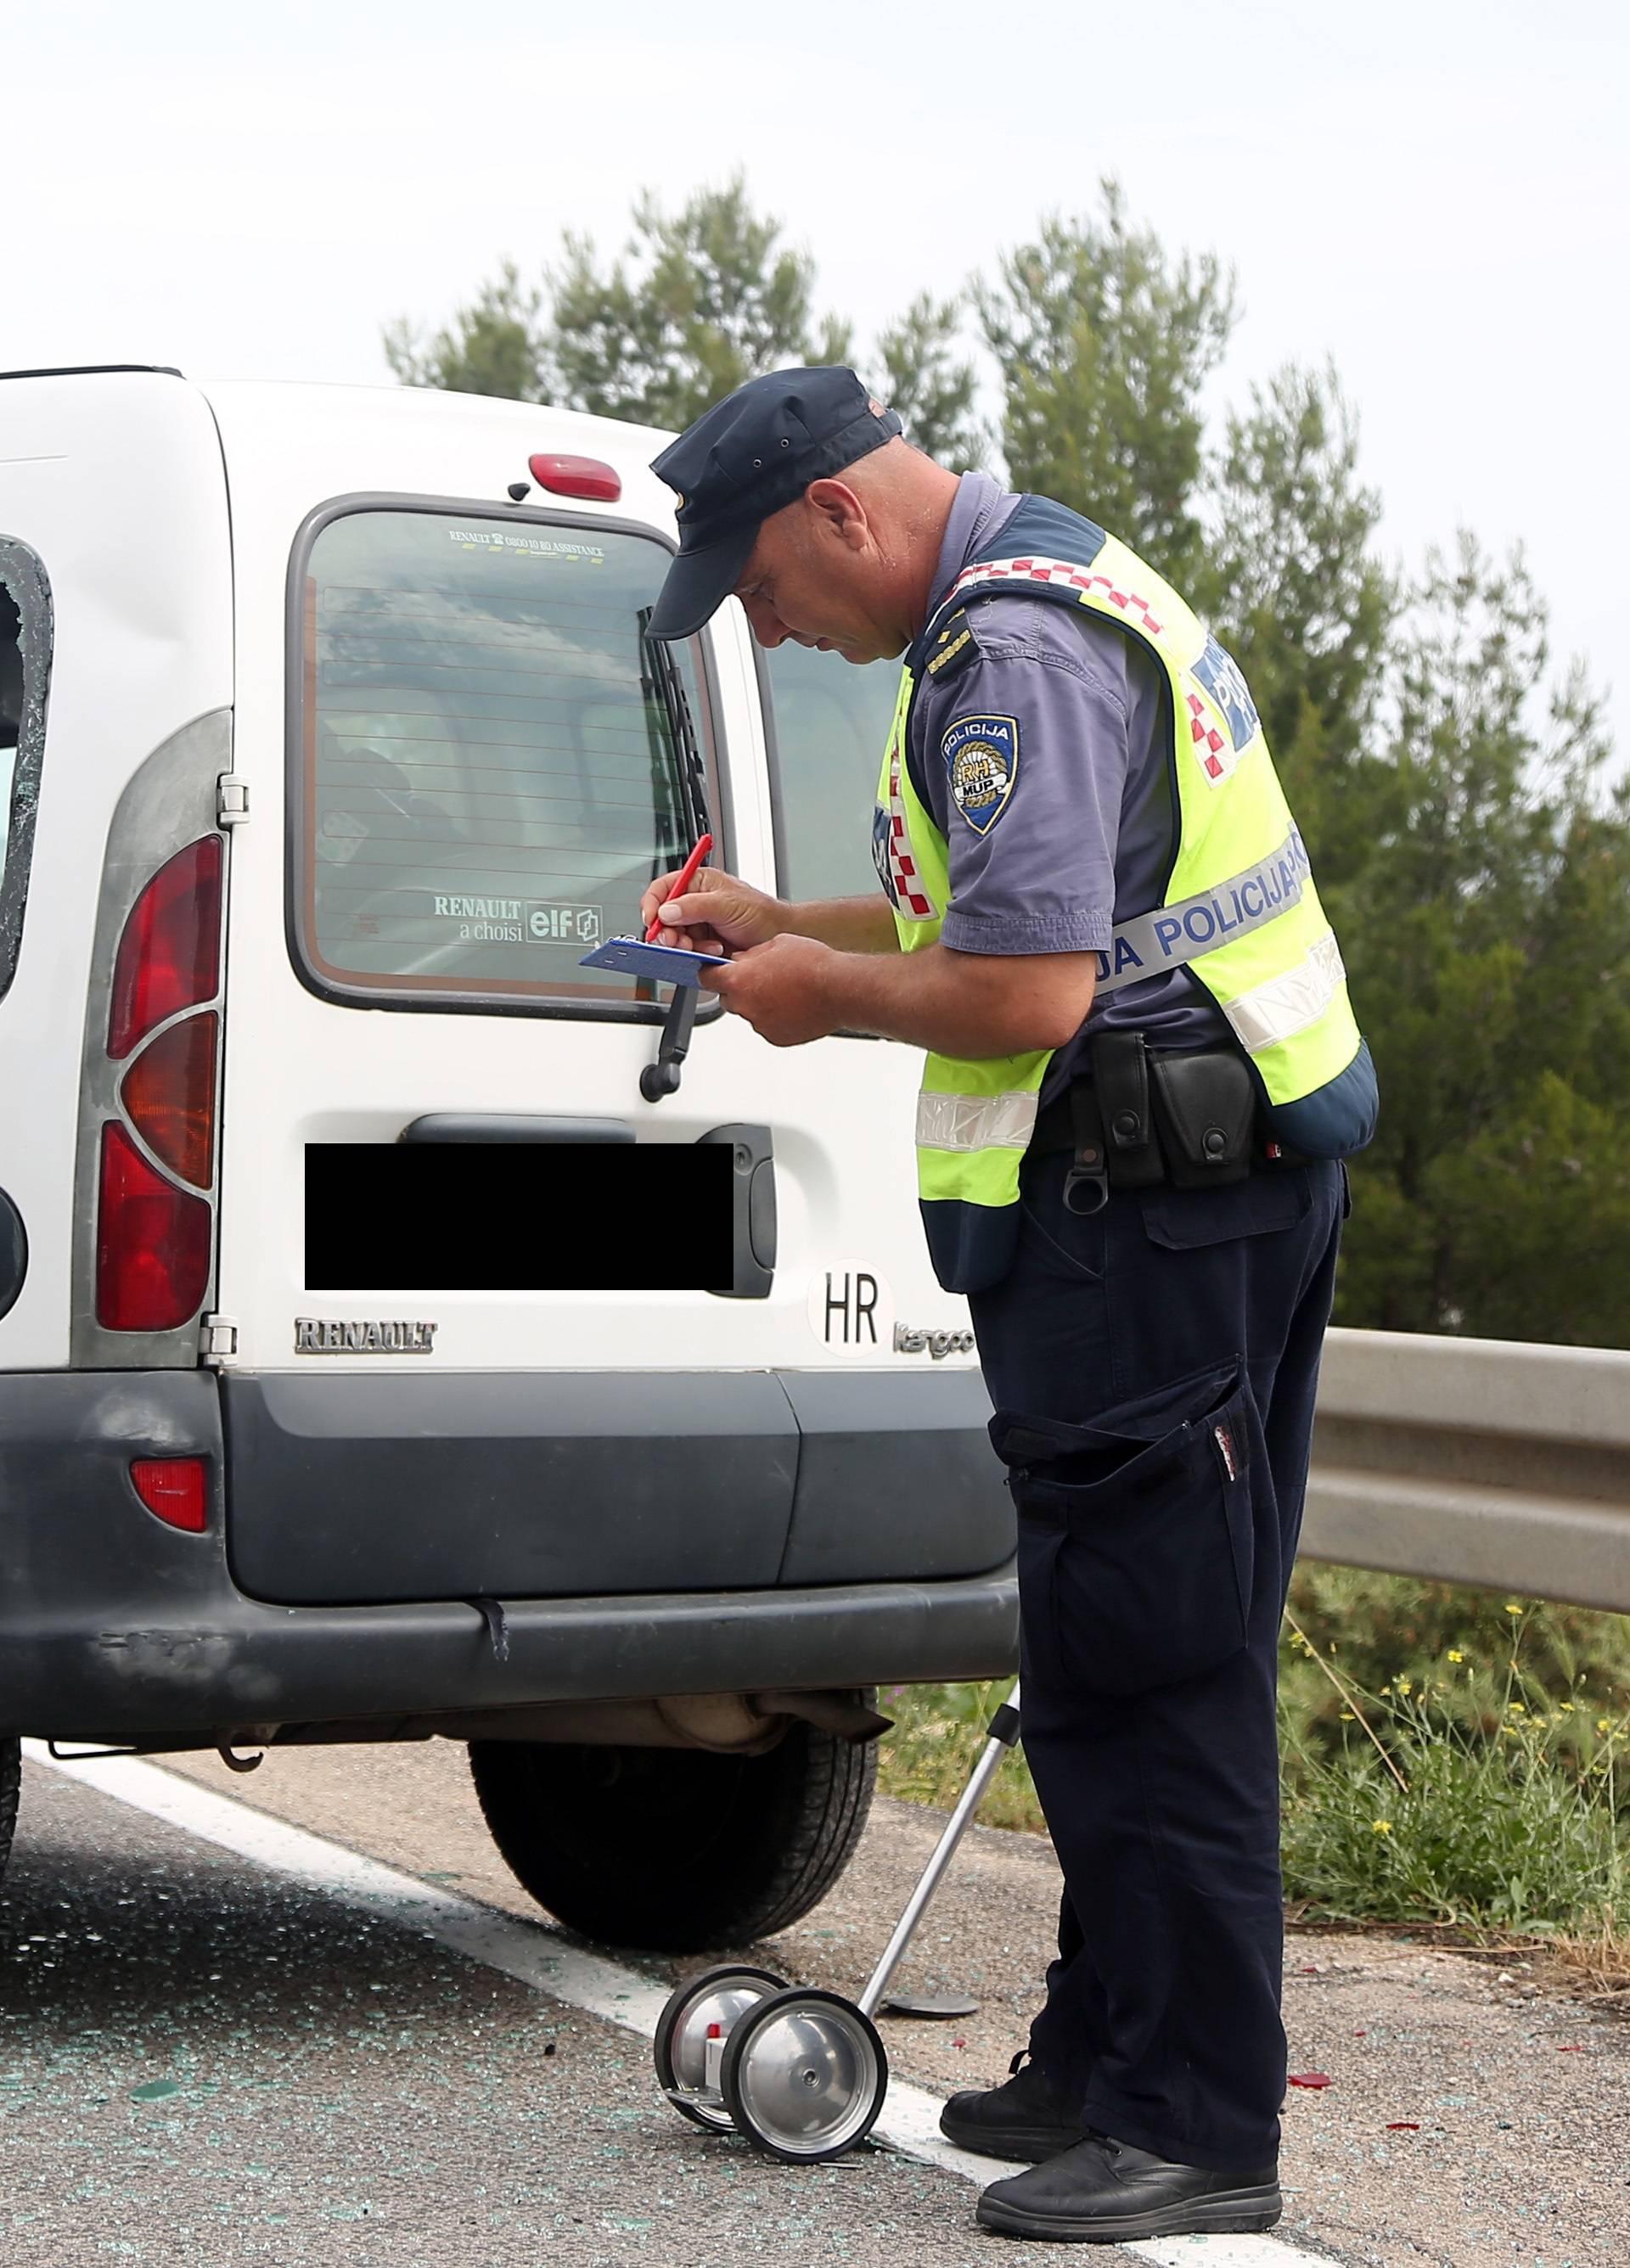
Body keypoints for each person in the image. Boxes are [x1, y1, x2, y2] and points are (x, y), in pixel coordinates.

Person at [643, 367, 1377, 2246]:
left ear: (840, 512)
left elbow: (1034, 987)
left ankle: (1195, 2116)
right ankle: (1106, 2045)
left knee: (1150, 1662)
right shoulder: (1053, 584)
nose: (773, 630)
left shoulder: (1008, 658)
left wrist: (814, 995)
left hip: (1151, 1207)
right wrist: (783, 912)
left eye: (763, 589)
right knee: (1105, 1639)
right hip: (1192, 1191)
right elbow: (1002, 910)